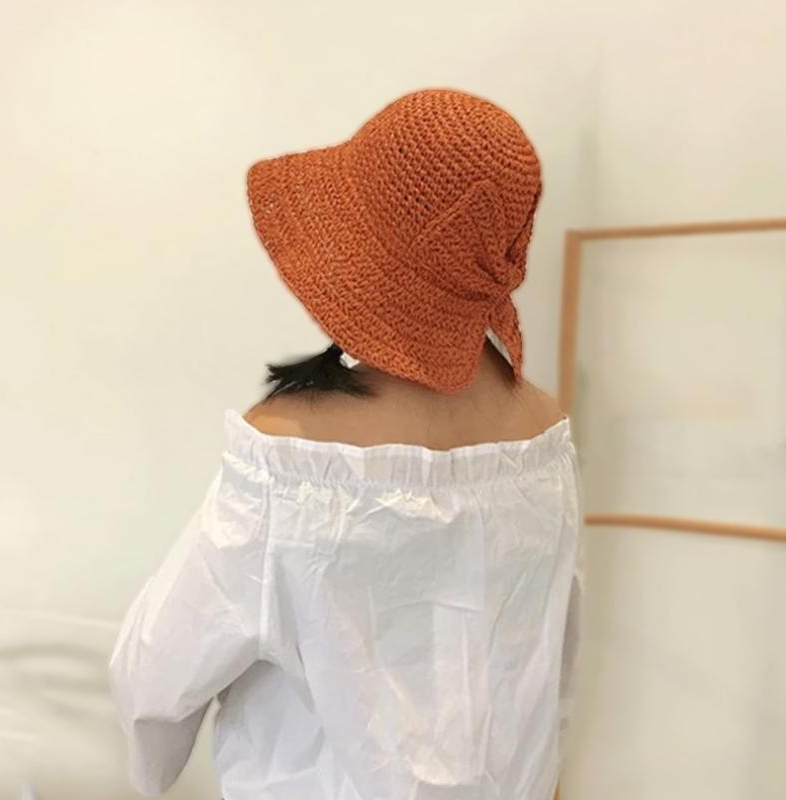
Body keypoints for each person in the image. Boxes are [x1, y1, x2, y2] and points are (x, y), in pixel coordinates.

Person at [109, 88, 583, 800]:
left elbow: (154, 675)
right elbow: (551, 671)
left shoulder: (288, 462)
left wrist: (147, 775)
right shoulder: (543, 437)